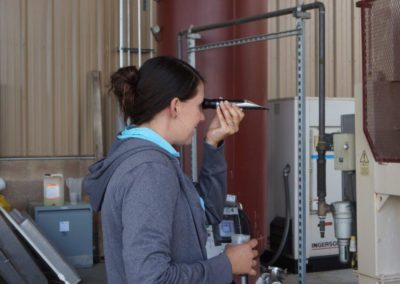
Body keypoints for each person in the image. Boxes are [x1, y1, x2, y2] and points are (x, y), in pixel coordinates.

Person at [83, 56, 258, 284]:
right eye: (199, 106)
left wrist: (213, 143)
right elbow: (151, 279)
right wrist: (225, 265)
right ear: (175, 106)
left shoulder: (147, 157)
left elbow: (208, 212)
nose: (202, 117)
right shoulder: (150, 171)